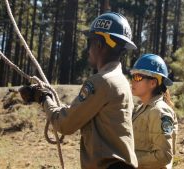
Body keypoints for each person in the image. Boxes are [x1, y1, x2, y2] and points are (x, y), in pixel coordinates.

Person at [19, 12, 138, 169]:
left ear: (99, 44)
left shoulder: (101, 81)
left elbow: (65, 124)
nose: (88, 49)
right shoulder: (120, 81)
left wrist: (43, 98)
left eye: (90, 42)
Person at [130, 54, 178, 169]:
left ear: (153, 83)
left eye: (138, 77)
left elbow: (164, 156)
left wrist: (128, 160)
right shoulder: (142, 109)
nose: (132, 81)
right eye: (132, 76)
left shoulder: (159, 111)